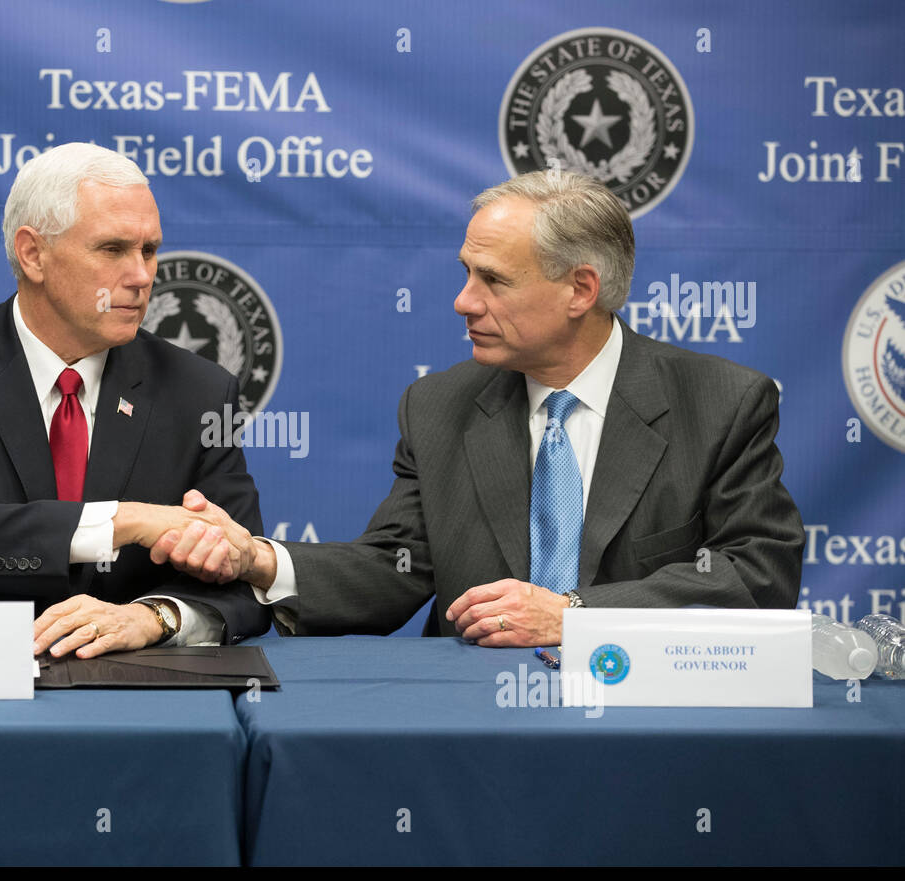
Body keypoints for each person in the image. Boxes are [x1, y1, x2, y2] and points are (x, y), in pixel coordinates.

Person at [151, 170, 805, 646]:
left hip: (646, 714)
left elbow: (758, 571)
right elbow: (395, 566)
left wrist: (575, 613)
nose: (464, 301)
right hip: (470, 717)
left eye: (492, 279)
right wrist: (259, 560)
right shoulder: (439, 406)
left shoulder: (719, 402)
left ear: (580, 289)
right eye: (467, 272)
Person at [0, 142, 269, 659]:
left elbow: (244, 581)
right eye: (112, 249)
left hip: (139, 697)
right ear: (33, 254)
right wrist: (127, 520)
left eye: (148, 250)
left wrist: (154, 618)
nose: (142, 276)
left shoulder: (200, 391)